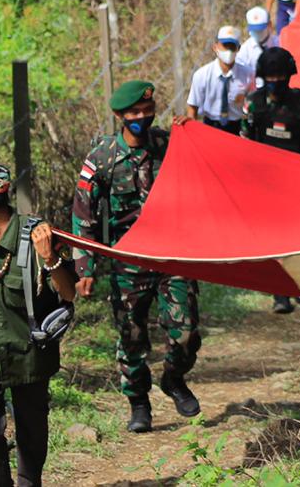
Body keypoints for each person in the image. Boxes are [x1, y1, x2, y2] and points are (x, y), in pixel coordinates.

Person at [72, 81, 201, 433]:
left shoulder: (167, 144)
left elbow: (204, 163)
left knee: (185, 332)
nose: (142, 118)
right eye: (134, 113)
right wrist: (85, 267)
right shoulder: (102, 158)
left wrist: (192, 129)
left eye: (147, 111)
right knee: (132, 337)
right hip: (128, 263)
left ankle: (174, 379)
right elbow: (84, 213)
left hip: (173, 257)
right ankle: (139, 403)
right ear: (119, 116)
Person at [0, 162, 77, 487]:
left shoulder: (36, 236)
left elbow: (68, 293)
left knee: (32, 427)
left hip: (28, 352)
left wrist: (50, 258)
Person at [240, 47, 300, 313]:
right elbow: (243, 144)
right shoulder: (253, 103)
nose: (275, 82)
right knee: (273, 239)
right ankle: (279, 292)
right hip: (266, 183)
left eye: (280, 76)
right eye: (270, 76)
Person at [186, 26, 255, 134]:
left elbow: (253, 104)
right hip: (210, 126)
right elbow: (192, 108)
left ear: (238, 49)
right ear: (215, 47)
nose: (228, 51)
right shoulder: (202, 75)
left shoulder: (248, 74)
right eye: (225, 46)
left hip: (236, 128)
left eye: (232, 47)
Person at [236, 6, 279, 80]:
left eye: (260, 29)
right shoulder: (245, 50)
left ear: (269, 25)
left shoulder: (280, 43)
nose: (258, 33)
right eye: (255, 30)